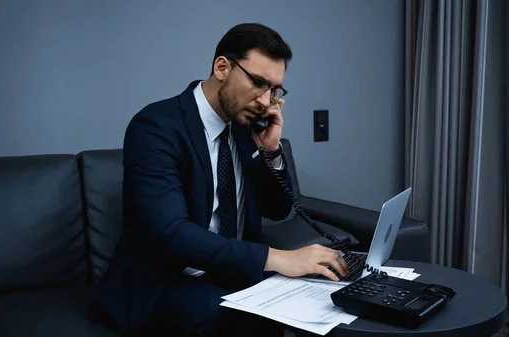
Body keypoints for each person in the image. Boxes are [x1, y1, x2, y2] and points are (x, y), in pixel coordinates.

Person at [93, 23, 349, 337]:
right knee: (223, 312)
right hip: (166, 281)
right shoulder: (155, 127)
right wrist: (276, 258)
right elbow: (171, 232)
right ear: (222, 67)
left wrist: (271, 151)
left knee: (324, 297)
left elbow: (279, 209)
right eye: (258, 83)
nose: (266, 101)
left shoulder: (246, 127)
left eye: (275, 90)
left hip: (232, 271)